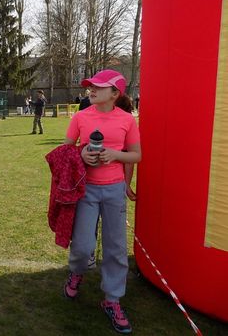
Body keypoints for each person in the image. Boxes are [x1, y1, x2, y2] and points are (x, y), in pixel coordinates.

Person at [62, 69, 141, 334]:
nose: (91, 90)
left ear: (115, 93)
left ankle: (112, 300)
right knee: (83, 246)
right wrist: (81, 153)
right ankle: (77, 272)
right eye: (90, 86)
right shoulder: (81, 116)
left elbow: (137, 155)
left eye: (98, 86)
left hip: (114, 190)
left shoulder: (127, 120)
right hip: (86, 190)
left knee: (116, 248)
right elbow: (65, 150)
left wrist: (115, 155)